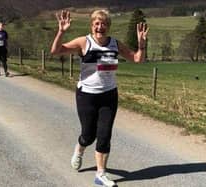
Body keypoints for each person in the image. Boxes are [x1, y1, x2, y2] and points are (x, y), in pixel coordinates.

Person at [50, 9, 148, 187]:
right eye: (96, 23)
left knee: (104, 135)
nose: (100, 27)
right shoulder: (83, 42)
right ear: (92, 25)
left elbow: (137, 59)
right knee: (88, 135)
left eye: (103, 23)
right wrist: (61, 32)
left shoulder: (115, 44)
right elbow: (56, 51)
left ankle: (100, 174)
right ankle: (80, 149)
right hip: (87, 95)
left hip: (109, 95)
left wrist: (141, 45)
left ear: (108, 26)